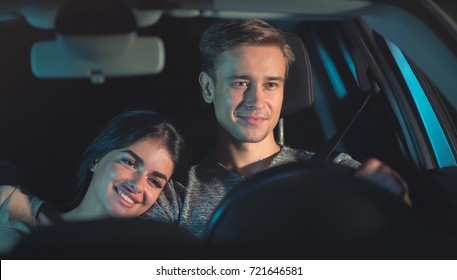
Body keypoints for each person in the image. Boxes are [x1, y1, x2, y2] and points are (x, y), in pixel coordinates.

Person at [147, 19, 412, 239]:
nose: (257, 101)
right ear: (208, 88)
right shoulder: (175, 195)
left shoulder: (339, 174)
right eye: (240, 83)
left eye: (271, 84)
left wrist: (397, 207)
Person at [0, 109, 187, 253]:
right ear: (95, 160)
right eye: (129, 163)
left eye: (154, 181)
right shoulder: (10, 201)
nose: (137, 185)